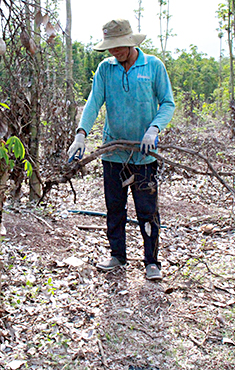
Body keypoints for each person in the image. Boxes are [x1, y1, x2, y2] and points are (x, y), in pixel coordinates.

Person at [67, 19, 175, 281]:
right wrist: (81, 134)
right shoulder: (106, 69)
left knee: (146, 210)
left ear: (130, 43)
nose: (114, 52)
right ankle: (118, 256)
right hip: (113, 152)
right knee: (115, 207)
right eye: (110, 48)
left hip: (143, 153)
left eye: (118, 47)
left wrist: (154, 129)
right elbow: (94, 102)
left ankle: (152, 262)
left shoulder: (153, 67)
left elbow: (167, 103)